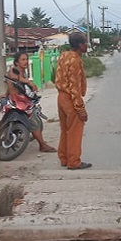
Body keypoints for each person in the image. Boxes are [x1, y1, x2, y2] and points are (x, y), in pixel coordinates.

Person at [7, 51, 56, 153]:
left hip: (21, 100)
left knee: (35, 117)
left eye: (26, 59)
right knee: (33, 121)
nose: (26, 62)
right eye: (23, 60)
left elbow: (13, 84)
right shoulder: (14, 71)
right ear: (16, 62)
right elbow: (14, 79)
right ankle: (42, 145)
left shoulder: (23, 72)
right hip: (16, 101)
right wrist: (29, 82)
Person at [55, 32, 91, 170]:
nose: (87, 45)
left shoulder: (64, 55)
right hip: (70, 98)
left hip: (61, 96)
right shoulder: (75, 60)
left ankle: (64, 158)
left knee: (65, 129)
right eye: (85, 43)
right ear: (80, 45)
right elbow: (74, 87)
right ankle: (74, 161)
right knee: (75, 129)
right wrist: (80, 108)